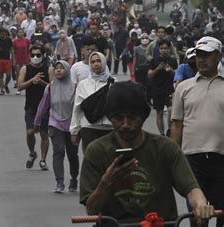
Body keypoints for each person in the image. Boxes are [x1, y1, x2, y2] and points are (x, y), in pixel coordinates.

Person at [79, 81, 214, 226]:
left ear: (143, 117)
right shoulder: (96, 151)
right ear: (110, 118)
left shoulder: (166, 148)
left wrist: (200, 204)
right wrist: (107, 181)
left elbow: (191, 188)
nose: (125, 124)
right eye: (118, 118)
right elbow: (92, 209)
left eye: (132, 118)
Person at [171, 36, 224, 227]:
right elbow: (176, 126)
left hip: (221, 157)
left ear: (219, 56)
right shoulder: (184, 88)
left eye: (207, 55)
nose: (201, 59)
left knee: (221, 213)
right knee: (198, 216)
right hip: (192, 159)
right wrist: (172, 159)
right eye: (199, 55)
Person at [34, 61, 79, 193]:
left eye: (62, 68)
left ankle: (73, 179)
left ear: (67, 70)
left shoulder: (75, 87)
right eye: (56, 68)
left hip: (72, 125)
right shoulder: (50, 87)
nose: (58, 70)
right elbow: (43, 105)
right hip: (55, 124)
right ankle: (59, 182)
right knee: (58, 152)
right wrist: (37, 122)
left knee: (72, 154)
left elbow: (80, 107)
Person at [17, 45, 54, 171]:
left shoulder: (48, 69)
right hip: (31, 107)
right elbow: (19, 86)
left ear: (43, 56)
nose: (35, 57)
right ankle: (32, 153)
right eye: (33, 55)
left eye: (38, 55)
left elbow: (54, 87)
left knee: (44, 134)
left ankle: (43, 160)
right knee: (30, 132)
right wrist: (32, 80)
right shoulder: (25, 69)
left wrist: (42, 83)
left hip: (45, 107)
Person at [70, 52, 114, 152]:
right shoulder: (83, 84)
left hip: (109, 128)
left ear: (103, 62)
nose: (96, 64)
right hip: (88, 127)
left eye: (99, 61)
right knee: (91, 160)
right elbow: (77, 109)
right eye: (93, 61)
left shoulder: (114, 83)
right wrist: (74, 131)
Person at [147, 39, 178, 136]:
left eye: (166, 48)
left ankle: (169, 130)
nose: (164, 50)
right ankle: (162, 134)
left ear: (169, 49)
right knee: (159, 113)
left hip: (169, 89)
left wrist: (170, 70)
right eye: (162, 48)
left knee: (171, 111)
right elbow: (149, 75)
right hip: (157, 90)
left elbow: (177, 75)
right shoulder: (154, 60)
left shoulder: (173, 60)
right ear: (159, 49)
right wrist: (158, 68)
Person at [0, 28, 13, 95]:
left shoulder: (8, 40)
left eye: (4, 32)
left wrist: (12, 58)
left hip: (7, 59)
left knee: (9, 75)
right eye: (1, 32)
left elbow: (11, 49)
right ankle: (2, 90)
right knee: (0, 75)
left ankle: (5, 84)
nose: (3, 34)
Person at [12, 28, 30, 95]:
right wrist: (13, 60)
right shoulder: (14, 41)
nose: (21, 33)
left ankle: (27, 88)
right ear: (17, 33)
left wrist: (30, 58)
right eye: (19, 32)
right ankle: (19, 88)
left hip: (25, 59)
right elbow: (13, 52)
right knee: (18, 74)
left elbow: (29, 50)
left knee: (26, 74)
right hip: (18, 59)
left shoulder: (27, 40)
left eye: (22, 32)